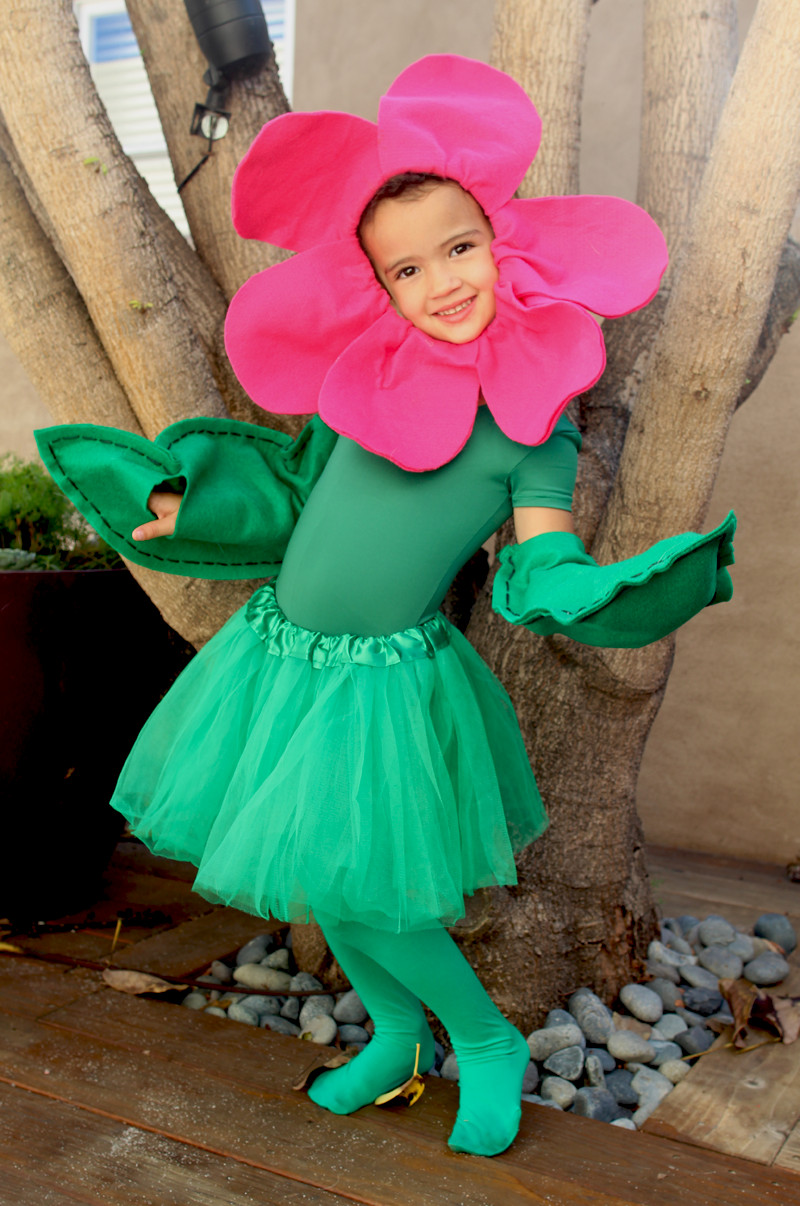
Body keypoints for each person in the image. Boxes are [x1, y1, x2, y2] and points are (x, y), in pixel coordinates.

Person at [35, 56, 735, 1159]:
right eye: (408, 269)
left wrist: (602, 592)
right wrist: (189, 505)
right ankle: (401, 1040)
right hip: (278, 661)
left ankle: (482, 1042)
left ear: (503, 247)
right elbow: (295, 506)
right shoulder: (365, 384)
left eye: (460, 249)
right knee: (330, 884)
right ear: (379, 290)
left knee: (378, 899)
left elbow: (542, 555)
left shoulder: (525, 427)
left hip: (380, 688)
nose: (443, 281)